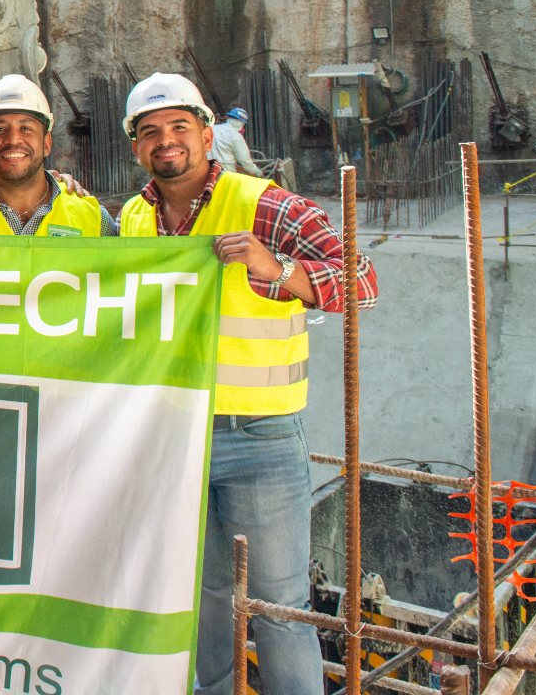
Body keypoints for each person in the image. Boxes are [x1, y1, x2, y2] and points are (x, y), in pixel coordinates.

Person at [118, 73, 378, 695]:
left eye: (179, 127)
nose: (166, 141)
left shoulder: (265, 204)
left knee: (279, 607)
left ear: (208, 136)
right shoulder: (130, 218)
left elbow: (362, 281)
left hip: (258, 438)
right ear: (136, 147)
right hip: (174, 438)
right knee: (202, 598)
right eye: (150, 131)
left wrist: (277, 267)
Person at [0, 73, 117, 236]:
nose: (13, 139)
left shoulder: (94, 220)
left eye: (26, 128)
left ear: (47, 143)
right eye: (0, 129)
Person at [212, 107, 263, 176]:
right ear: (241, 122)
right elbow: (244, 159)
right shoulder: (235, 135)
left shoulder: (212, 129)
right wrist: (255, 171)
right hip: (226, 170)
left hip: (207, 169)